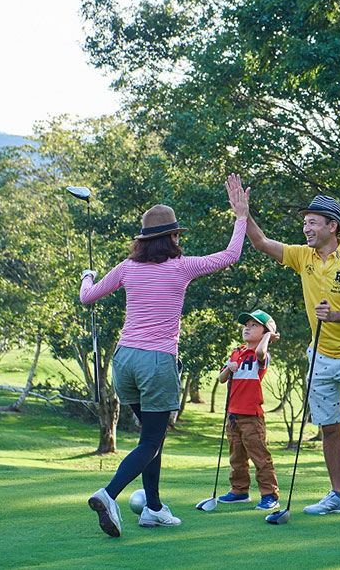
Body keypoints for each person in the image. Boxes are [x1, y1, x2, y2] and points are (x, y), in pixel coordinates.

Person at [80, 174, 250, 537]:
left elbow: (87, 296)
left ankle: (154, 508)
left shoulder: (128, 268)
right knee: (152, 441)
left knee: (150, 436)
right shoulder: (181, 266)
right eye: (176, 235)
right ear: (171, 238)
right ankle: (108, 494)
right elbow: (231, 255)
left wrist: (86, 276)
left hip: (124, 361)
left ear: (143, 242)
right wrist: (240, 216)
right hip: (156, 362)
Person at [231, 178, 340, 525]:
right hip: (319, 355)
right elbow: (260, 242)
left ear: (332, 226)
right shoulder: (303, 257)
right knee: (330, 428)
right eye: (305, 222)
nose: (306, 228)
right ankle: (339, 495)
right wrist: (244, 216)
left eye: (312, 222)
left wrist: (335, 316)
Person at [216, 309, 281, 511]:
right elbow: (221, 378)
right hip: (232, 415)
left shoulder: (262, 355)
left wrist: (269, 336)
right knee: (236, 457)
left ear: (265, 332)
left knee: (260, 457)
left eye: (254, 325)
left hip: (251, 416)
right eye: (246, 324)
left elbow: (261, 352)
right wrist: (230, 367)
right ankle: (239, 491)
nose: (247, 328)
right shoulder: (236, 351)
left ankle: (270, 495)